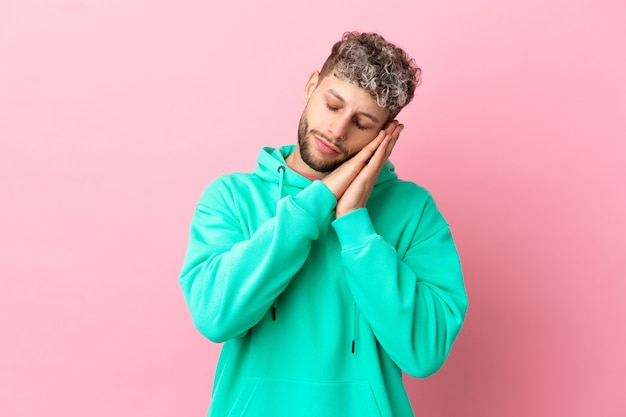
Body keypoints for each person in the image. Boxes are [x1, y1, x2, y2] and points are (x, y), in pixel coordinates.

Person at [179, 31, 468, 417]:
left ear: (384, 134)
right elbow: (216, 318)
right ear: (311, 86)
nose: (337, 130)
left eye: (362, 122)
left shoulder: (413, 211)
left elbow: (424, 352)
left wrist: (355, 224)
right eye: (332, 105)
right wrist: (319, 201)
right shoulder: (232, 198)